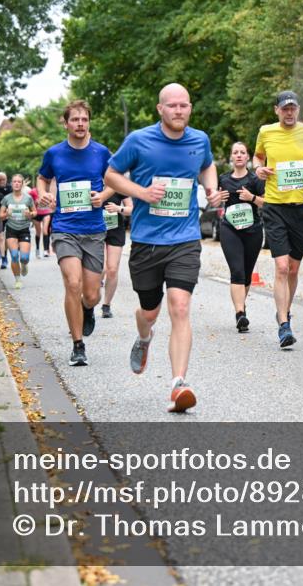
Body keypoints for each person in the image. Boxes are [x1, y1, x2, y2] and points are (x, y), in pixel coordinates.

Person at [104, 83, 221, 413]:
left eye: (184, 105)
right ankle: (144, 338)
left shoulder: (199, 140)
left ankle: (178, 384)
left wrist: (210, 187)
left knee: (180, 307)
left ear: (190, 108)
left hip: (184, 239)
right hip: (146, 242)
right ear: (160, 109)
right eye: (172, 106)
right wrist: (141, 193)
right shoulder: (139, 140)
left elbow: (207, 165)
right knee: (150, 313)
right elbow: (111, 176)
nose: (179, 111)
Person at [36, 100, 114, 366]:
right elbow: (42, 177)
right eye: (75, 120)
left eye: (84, 119)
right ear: (66, 123)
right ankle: (78, 345)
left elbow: (115, 180)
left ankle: (87, 308)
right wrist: (45, 194)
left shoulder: (101, 152)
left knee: (91, 294)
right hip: (64, 228)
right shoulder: (54, 154)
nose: (80, 124)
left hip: (93, 230)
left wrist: (102, 195)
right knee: (72, 283)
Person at [252, 90, 303, 349]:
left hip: (302, 206)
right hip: (274, 205)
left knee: (293, 268)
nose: (289, 112)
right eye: (285, 108)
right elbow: (258, 157)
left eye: (293, 108)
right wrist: (258, 168)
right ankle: (284, 324)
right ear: (277, 110)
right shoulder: (266, 132)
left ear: (298, 110)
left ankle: (285, 311)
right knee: (281, 267)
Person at [217, 141, 266, 332]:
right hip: (230, 229)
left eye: (242, 152)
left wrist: (252, 198)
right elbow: (214, 198)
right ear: (231, 156)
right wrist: (217, 198)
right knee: (236, 271)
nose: (238, 155)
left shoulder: (255, 180)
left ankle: (241, 307)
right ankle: (240, 314)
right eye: (235, 152)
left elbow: (268, 203)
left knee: (246, 274)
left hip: (253, 230)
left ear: (247, 157)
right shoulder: (223, 179)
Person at [100, 192, 133, 318]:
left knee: (112, 270)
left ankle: (106, 305)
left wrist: (118, 208)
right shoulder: (93, 180)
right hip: (96, 229)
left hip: (115, 229)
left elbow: (131, 209)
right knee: (100, 268)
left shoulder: (118, 185)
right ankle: (89, 301)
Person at [0, 174, 36, 289]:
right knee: (14, 256)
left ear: (22, 184)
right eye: (14, 181)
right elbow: (0, 216)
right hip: (11, 229)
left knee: (24, 258)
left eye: (19, 182)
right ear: (11, 183)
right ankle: (17, 279)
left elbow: (35, 212)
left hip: (24, 229)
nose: (16, 183)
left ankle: (24, 265)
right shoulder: (7, 198)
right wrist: (7, 214)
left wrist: (29, 214)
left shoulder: (28, 198)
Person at [29, 179, 53, 259]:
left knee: (45, 230)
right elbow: (28, 200)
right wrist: (34, 202)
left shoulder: (48, 190)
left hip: (46, 212)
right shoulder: (33, 191)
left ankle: (46, 250)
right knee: (38, 232)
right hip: (37, 214)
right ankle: (37, 249)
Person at [0, 172, 11, 269]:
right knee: (0, 237)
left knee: (6, 238)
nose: (1, 181)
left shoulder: (10, 188)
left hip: (8, 215)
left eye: (3, 179)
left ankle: (4, 259)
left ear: (6, 179)